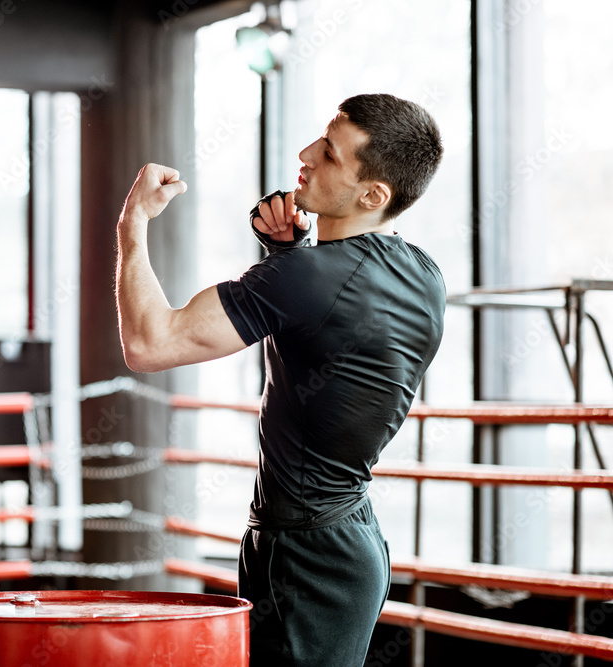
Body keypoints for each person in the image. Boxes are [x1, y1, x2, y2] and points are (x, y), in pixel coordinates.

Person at [116, 93, 445, 665]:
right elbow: (333, 333)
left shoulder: (307, 277)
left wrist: (133, 223)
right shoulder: (423, 272)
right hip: (346, 540)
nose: (305, 154)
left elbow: (150, 343)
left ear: (373, 194)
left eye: (330, 154)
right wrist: (289, 254)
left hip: (305, 553)